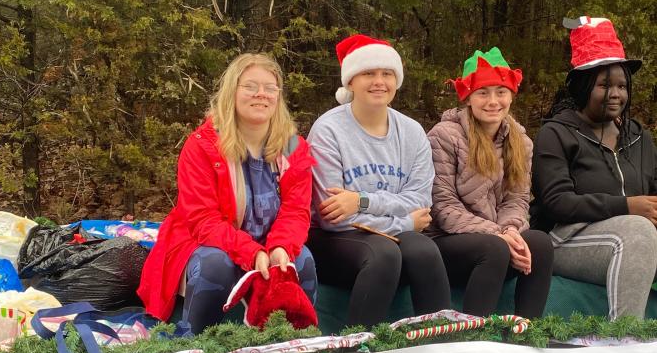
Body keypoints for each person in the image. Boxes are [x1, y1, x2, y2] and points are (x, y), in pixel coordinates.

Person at [530, 17, 657, 319]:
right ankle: (624, 337)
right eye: (604, 85)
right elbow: (557, 203)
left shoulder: (636, 135)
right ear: (584, 87)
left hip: (636, 239)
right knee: (636, 229)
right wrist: (627, 206)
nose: (616, 94)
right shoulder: (556, 133)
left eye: (622, 86)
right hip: (566, 241)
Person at [138, 53, 317, 333]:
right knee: (215, 264)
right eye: (250, 87)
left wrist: (280, 247)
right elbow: (203, 220)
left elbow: (296, 211)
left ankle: (292, 343)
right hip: (210, 243)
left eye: (270, 88)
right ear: (232, 92)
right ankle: (195, 345)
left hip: (269, 243)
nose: (261, 95)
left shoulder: (294, 147)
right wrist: (251, 252)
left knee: (301, 259)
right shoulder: (202, 146)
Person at [306, 33, 451, 327]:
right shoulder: (328, 131)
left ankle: (441, 341)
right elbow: (333, 217)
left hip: (374, 229)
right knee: (384, 253)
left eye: (387, 74)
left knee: (423, 250)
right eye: (368, 73)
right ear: (350, 81)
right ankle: (357, 351)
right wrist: (405, 223)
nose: (379, 82)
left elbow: (420, 200)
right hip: (334, 241)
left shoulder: (412, 133)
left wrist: (361, 201)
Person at [427, 47, 553, 318]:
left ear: (511, 95)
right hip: (448, 243)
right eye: (483, 93)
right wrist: (499, 234)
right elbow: (443, 206)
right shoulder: (445, 136)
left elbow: (516, 200)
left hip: (498, 239)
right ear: (468, 97)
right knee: (494, 247)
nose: (493, 101)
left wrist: (511, 230)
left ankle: (527, 332)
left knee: (539, 243)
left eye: (501, 92)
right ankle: (474, 335)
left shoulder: (521, 141)